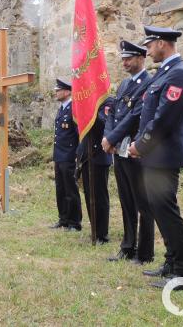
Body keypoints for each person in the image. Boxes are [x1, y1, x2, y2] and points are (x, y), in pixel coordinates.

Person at [128, 26, 183, 290]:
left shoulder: (179, 74)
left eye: (150, 45)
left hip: (164, 157)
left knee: (168, 213)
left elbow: (163, 120)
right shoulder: (165, 73)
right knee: (159, 210)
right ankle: (171, 263)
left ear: (162, 44)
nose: (147, 50)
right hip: (155, 157)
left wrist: (140, 146)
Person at [103, 40, 155, 265]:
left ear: (141, 58)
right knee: (126, 200)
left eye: (129, 58)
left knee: (143, 202)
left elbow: (135, 116)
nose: (124, 62)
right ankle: (127, 246)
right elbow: (112, 112)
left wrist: (112, 137)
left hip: (136, 149)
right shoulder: (124, 84)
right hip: (118, 149)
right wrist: (108, 137)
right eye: (123, 59)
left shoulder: (148, 83)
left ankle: (144, 252)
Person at [76, 96, 115, 243]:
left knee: (100, 196)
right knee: (88, 195)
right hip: (86, 156)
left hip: (99, 155)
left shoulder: (107, 101)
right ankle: (94, 229)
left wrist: (91, 110)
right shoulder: (87, 100)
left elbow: (105, 124)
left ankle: (102, 233)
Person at [50, 78, 82, 232]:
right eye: (56, 90)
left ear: (68, 91)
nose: (56, 92)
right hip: (59, 155)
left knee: (71, 190)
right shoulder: (62, 108)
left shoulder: (74, 108)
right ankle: (63, 219)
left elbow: (78, 134)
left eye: (59, 90)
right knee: (60, 189)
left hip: (69, 155)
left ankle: (74, 222)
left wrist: (77, 155)